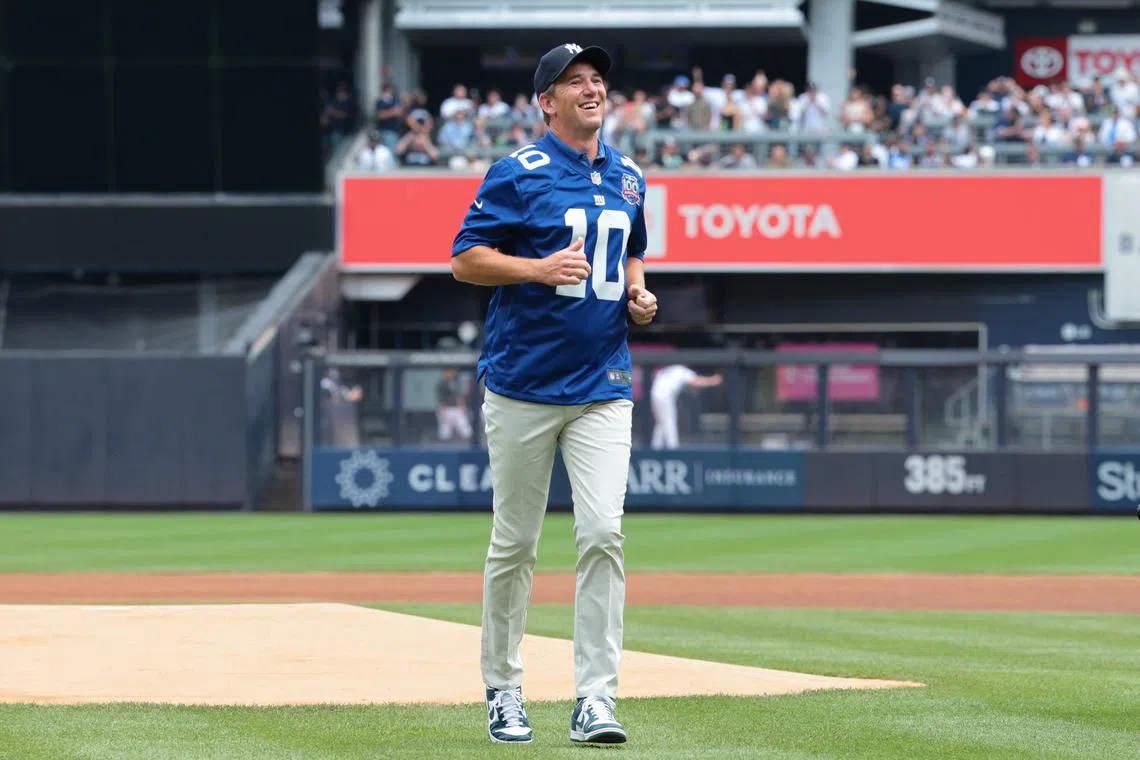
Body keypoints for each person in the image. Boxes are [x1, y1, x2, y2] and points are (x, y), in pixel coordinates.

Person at [450, 42, 658, 746]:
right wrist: (536, 270)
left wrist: (636, 292)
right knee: (516, 542)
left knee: (604, 533)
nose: (592, 89)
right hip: (523, 383)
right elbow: (464, 260)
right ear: (547, 102)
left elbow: (632, 246)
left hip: (604, 381)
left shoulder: (629, 175)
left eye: (598, 79)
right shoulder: (519, 173)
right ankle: (503, 690)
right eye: (575, 82)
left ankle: (596, 697)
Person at [650, 364, 723, 449]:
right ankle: (673, 450)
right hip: (665, 397)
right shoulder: (681, 370)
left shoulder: (670, 369)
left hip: (654, 395)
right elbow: (696, 382)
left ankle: (655, 448)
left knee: (661, 423)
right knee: (669, 422)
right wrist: (713, 381)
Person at [436, 367, 472, 442]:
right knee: (445, 433)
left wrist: (462, 407)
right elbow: (441, 399)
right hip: (446, 409)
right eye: (448, 371)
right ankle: (444, 447)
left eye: (452, 371)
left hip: (457, 409)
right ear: (445, 372)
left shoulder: (456, 381)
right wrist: (443, 412)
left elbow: (459, 396)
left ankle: (467, 446)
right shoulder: (441, 383)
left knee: (465, 430)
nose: (451, 373)